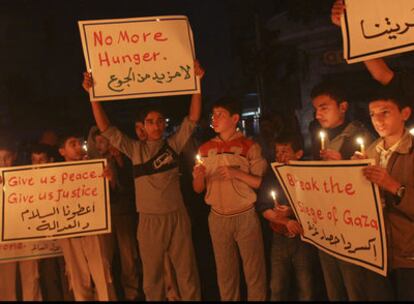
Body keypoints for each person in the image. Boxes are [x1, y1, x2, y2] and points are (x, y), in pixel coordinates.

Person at [82, 60, 204, 301]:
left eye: (160, 121)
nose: (156, 126)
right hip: (149, 221)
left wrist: (197, 82)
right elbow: (106, 128)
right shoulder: (135, 150)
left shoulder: (173, 145)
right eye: (151, 122)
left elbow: (192, 119)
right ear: (143, 127)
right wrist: (92, 94)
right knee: (153, 278)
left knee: (187, 274)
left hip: (177, 216)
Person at [192, 96, 268, 301]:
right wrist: (198, 178)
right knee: (225, 274)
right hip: (218, 218)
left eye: (220, 114)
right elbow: (198, 189)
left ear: (235, 118)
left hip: (245, 217)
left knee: (254, 272)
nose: (214, 119)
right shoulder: (205, 149)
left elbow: (260, 182)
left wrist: (237, 174)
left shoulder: (250, 146)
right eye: (213, 115)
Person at [310, 79, 377, 301]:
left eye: (324, 107)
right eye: (315, 109)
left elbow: (370, 178)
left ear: (343, 107)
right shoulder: (320, 138)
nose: (318, 115)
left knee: (354, 284)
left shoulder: (360, 137)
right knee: (332, 285)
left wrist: (344, 162)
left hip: (352, 226)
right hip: (326, 223)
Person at [353, 87, 414, 301]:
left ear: (404, 113)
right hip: (376, 251)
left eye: (385, 112)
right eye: (372, 114)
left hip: (408, 255)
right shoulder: (369, 153)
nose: (377, 120)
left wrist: (393, 186)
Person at [256, 133, 317, 301]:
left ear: (299, 154)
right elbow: (263, 207)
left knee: (306, 286)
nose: (280, 156)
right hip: (279, 237)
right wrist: (285, 221)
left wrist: (292, 211)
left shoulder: (308, 175)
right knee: (277, 286)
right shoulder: (271, 176)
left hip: (303, 238)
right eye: (277, 152)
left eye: (285, 152)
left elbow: (316, 206)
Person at [57, 132, 117, 301]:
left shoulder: (94, 168)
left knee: (102, 275)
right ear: (62, 151)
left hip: (92, 230)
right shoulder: (53, 174)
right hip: (68, 233)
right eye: (72, 144)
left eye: (79, 143)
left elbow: (109, 197)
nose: (78, 147)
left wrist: (108, 179)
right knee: (77, 278)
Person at [88, 127, 143, 301]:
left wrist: (114, 176)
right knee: (105, 259)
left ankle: (132, 293)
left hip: (123, 214)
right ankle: (107, 294)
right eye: (96, 142)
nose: (99, 145)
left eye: (102, 141)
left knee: (129, 258)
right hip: (103, 217)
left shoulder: (124, 160)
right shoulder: (92, 162)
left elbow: (130, 187)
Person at [0, 138, 43, 301]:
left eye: (7, 158)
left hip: (27, 239)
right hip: (4, 242)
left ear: (14, 157)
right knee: (5, 284)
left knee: (31, 279)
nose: (3, 162)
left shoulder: (25, 178)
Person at [30, 143, 74, 301]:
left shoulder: (62, 179)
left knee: (68, 274)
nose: (38, 164)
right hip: (43, 239)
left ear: (51, 161)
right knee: (50, 276)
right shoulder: (25, 184)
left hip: (64, 235)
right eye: (34, 161)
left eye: (42, 160)